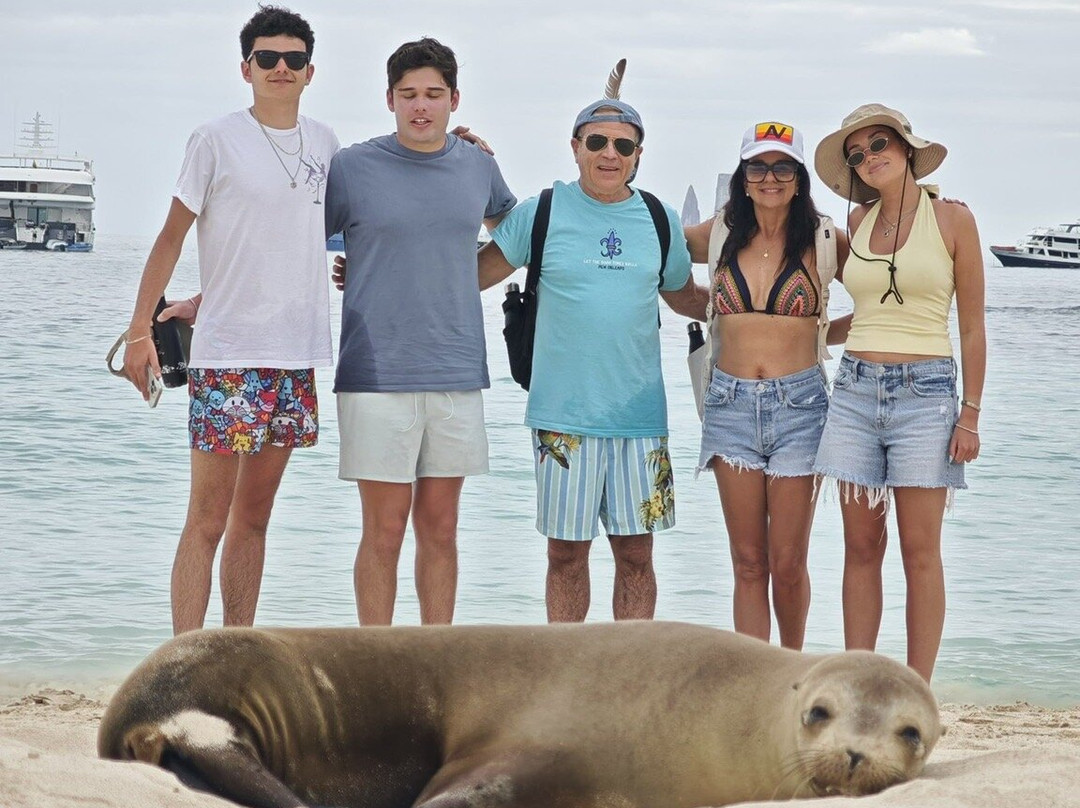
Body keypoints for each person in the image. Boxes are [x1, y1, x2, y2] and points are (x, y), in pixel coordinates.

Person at [118, 6, 339, 634]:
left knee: (255, 519)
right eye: (267, 58)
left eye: (293, 59)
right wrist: (141, 332)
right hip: (229, 359)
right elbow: (169, 238)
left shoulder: (326, 143)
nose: (280, 68)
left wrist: (452, 145)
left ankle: (235, 650)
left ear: (309, 71)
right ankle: (185, 658)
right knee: (207, 519)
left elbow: (312, 235)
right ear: (246, 68)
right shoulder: (214, 139)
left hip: (295, 355)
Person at [479, 98, 706, 622]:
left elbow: (685, 297)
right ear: (576, 147)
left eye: (623, 145)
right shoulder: (543, 210)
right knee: (564, 556)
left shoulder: (658, 217)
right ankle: (567, 677)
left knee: (636, 557)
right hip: (561, 418)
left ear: (638, 155)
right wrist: (379, 276)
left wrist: (758, 309)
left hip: (641, 420)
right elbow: (470, 276)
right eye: (597, 142)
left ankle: (628, 679)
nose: (610, 153)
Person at [324, 38, 516, 626]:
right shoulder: (352, 167)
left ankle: (436, 663)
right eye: (408, 95)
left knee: (442, 528)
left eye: (434, 94)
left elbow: (514, 234)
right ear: (389, 99)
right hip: (374, 372)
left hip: (457, 370)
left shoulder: (478, 164)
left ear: (454, 99)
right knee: (382, 530)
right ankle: (377, 664)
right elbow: (297, 239)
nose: (421, 106)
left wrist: (459, 281)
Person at [812, 103, 986, 681]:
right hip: (855, 393)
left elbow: (971, 325)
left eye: (879, 143)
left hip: (928, 395)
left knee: (920, 552)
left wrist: (971, 414)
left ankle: (917, 689)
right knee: (860, 548)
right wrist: (797, 334)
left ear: (907, 147)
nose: (869, 157)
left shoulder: (954, 220)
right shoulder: (857, 224)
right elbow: (863, 314)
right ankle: (860, 681)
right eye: (857, 154)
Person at [682, 122, 850, 649]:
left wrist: (818, 335)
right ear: (744, 177)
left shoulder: (826, 238)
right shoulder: (720, 233)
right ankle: (752, 678)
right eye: (758, 166)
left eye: (782, 167)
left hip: (801, 405)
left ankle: (792, 670)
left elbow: (879, 292)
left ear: (798, 178)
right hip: (729, 405)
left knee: (788, 561)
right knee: (748, 561)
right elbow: (656, 244)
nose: (770, 177)